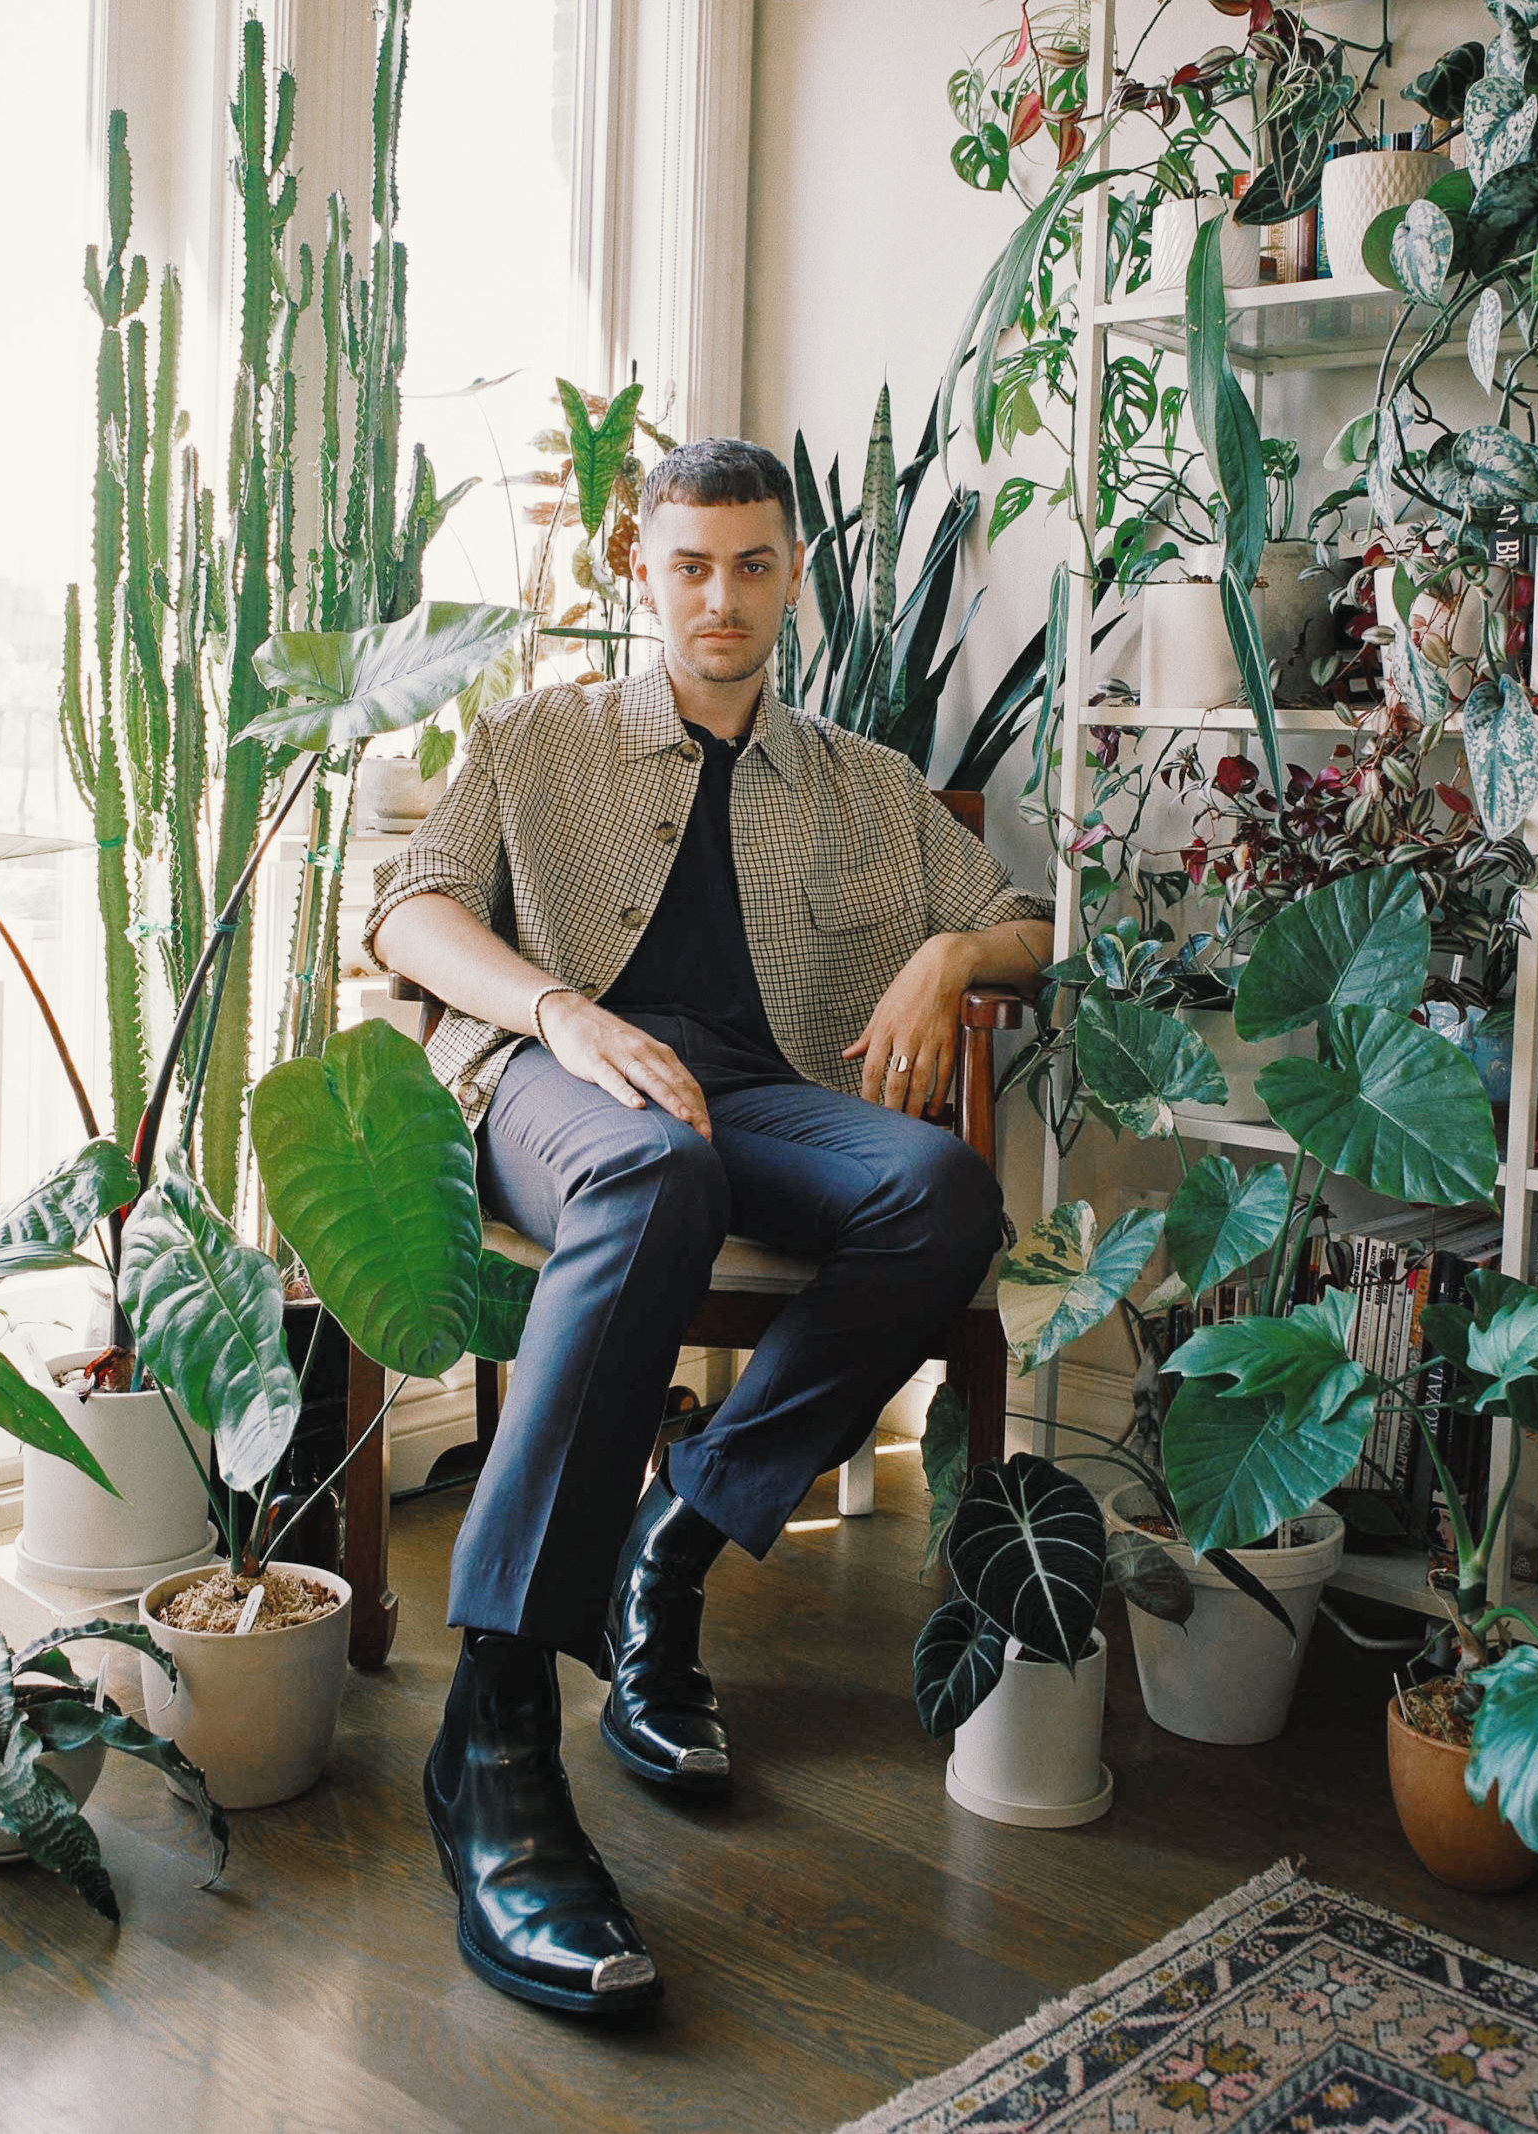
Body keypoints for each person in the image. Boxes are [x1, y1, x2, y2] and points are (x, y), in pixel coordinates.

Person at [365, 436, 1053, 2017]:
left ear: (793, 573)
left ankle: (671, 1539)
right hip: (558, 1089)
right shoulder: (536, 741)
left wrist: (949, 959)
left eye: (752, 563)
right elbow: (410, 907)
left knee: (941, 1195)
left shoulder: (865, 787)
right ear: (642, 571)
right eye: (690, 564)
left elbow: (1027, 919)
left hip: (753, 1097)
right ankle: (493, 1736)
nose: (720, 597)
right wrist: (557, 1010)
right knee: (654, 1169)